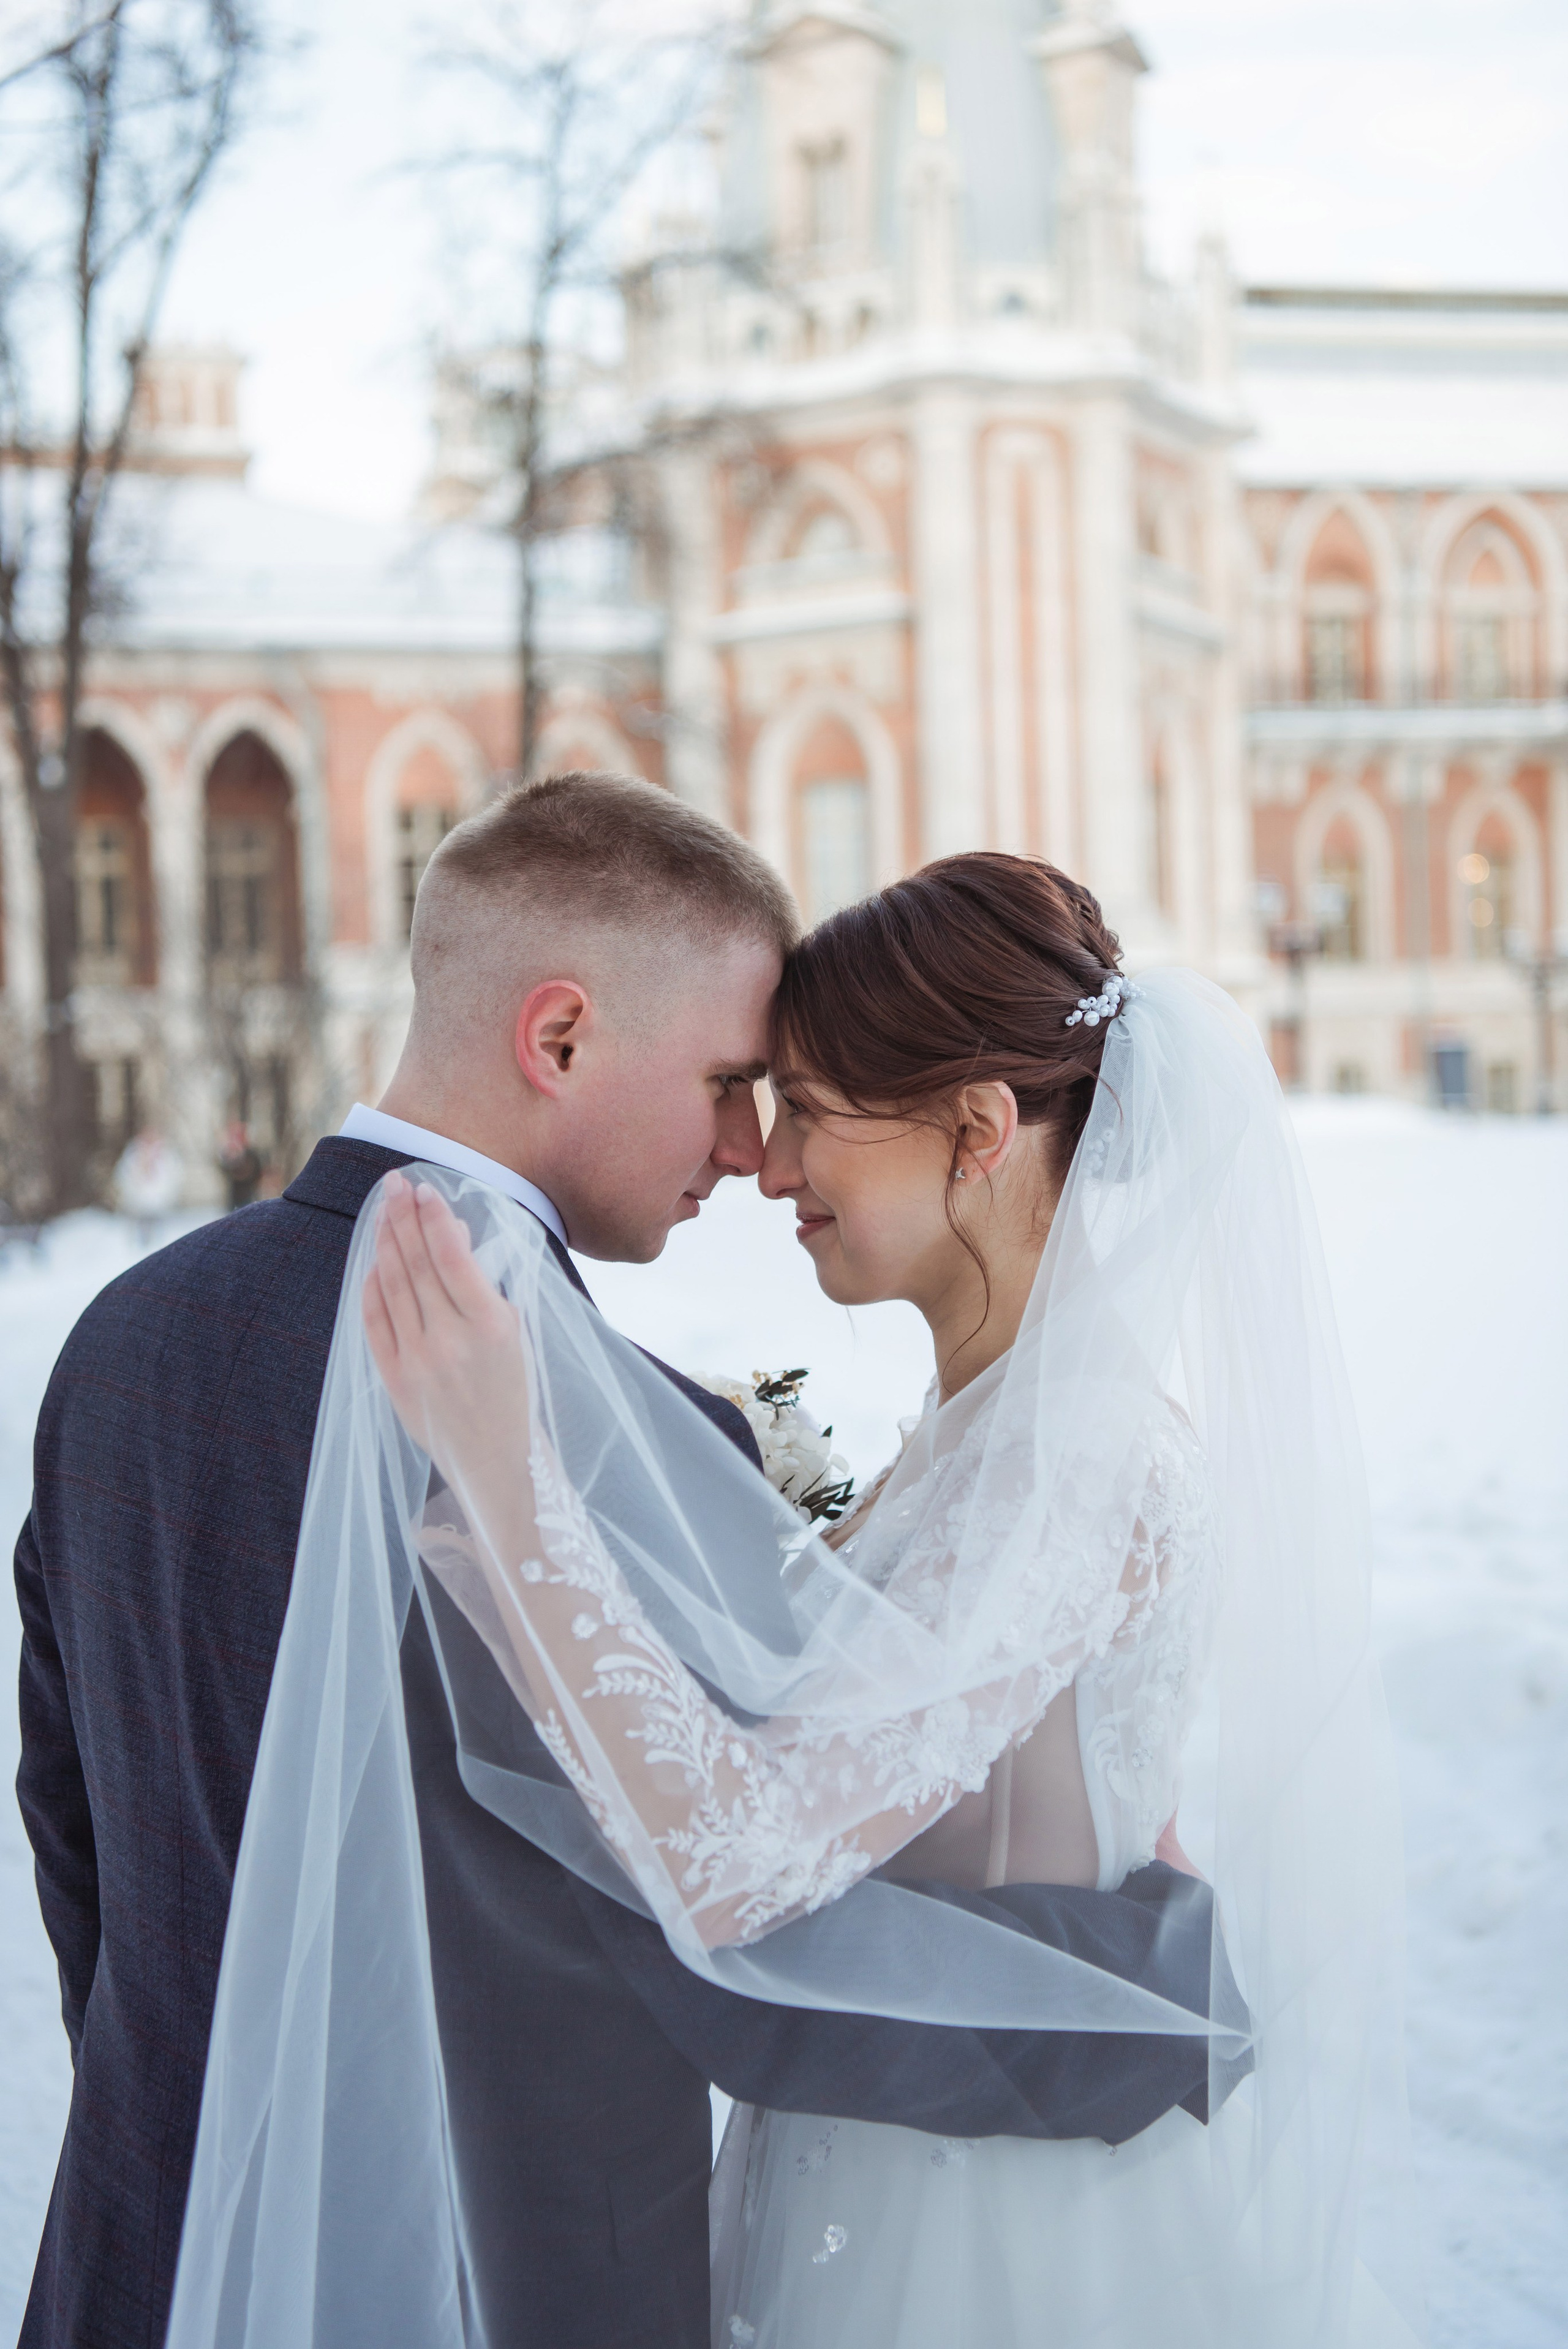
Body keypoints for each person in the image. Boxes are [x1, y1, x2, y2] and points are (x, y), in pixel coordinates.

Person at [15, 778, 1223, 2349]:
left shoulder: (121, 1341)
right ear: (562, 1036)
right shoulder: (625, 1455)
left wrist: (198, 2133)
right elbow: (753, 1945)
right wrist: (1150, 1991)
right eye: (733, 1077)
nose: (749, 1148)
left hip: (151, 2237)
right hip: (525, 2278)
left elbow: (77, 1829)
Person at [270, 851, 1420, 2349]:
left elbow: (744, 1856)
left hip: (994, 2224)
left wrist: (509, 1487)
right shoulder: (984, 1430)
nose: (765, 1163)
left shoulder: (1073, 1453)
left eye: (807, 1106)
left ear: (977, 1127)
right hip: (880, 2148)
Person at [111, 1126, 184, 1247]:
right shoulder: (133, 1154)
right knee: (139, 1231)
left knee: (159, 1234)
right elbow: (123, 1174)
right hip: (138, 1200)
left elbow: (174, 1174)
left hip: (159, 1200)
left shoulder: (166, 1154)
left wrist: (167, 1193)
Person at [216, 1120, 263, 1210]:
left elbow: (254, 1172)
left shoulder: (251, 1154)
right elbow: (225, 1171)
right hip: (234, 1197)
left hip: (248, 1196)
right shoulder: (229, 1153)